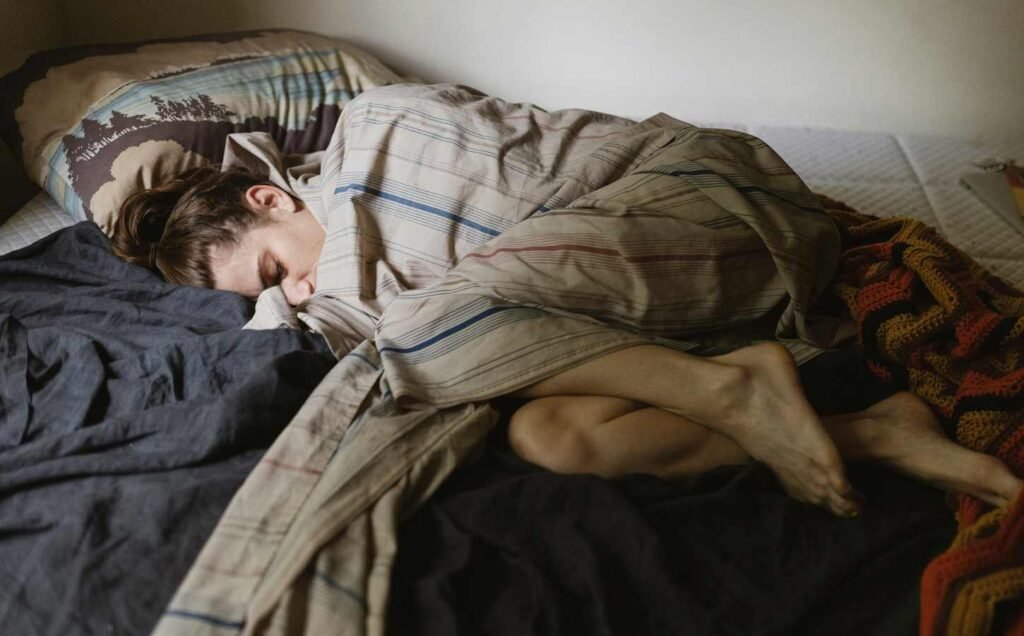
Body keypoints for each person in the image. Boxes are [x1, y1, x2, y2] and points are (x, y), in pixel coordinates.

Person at [112, 164, 1023, 519]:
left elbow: (521, 197)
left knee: (421, 332)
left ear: (271, 199)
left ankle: (734, 391)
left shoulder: (378, 142)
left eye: (275, 272)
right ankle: (875, 433)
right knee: (542, 438)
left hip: (702, 202)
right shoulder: (339, 290)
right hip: (579, 306)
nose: (300, 295)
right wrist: (288, 310)